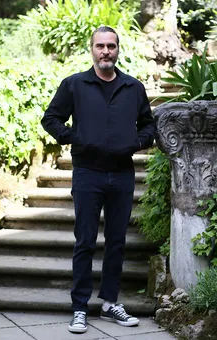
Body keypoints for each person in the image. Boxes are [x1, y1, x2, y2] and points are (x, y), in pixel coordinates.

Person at [41, 26, 156, 334]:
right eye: (100, 46)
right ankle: (79, 308)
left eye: (111, 46)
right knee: (85, 242)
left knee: (117, 242)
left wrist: (138, 142)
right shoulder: (75, 85)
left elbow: (148, 123)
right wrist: (74, 138)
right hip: (87, 174)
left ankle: (109, 303)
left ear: (118, 50)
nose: (106, 51)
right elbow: (50, 118)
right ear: (91, 49)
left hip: (121, 174)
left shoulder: (133, 88)